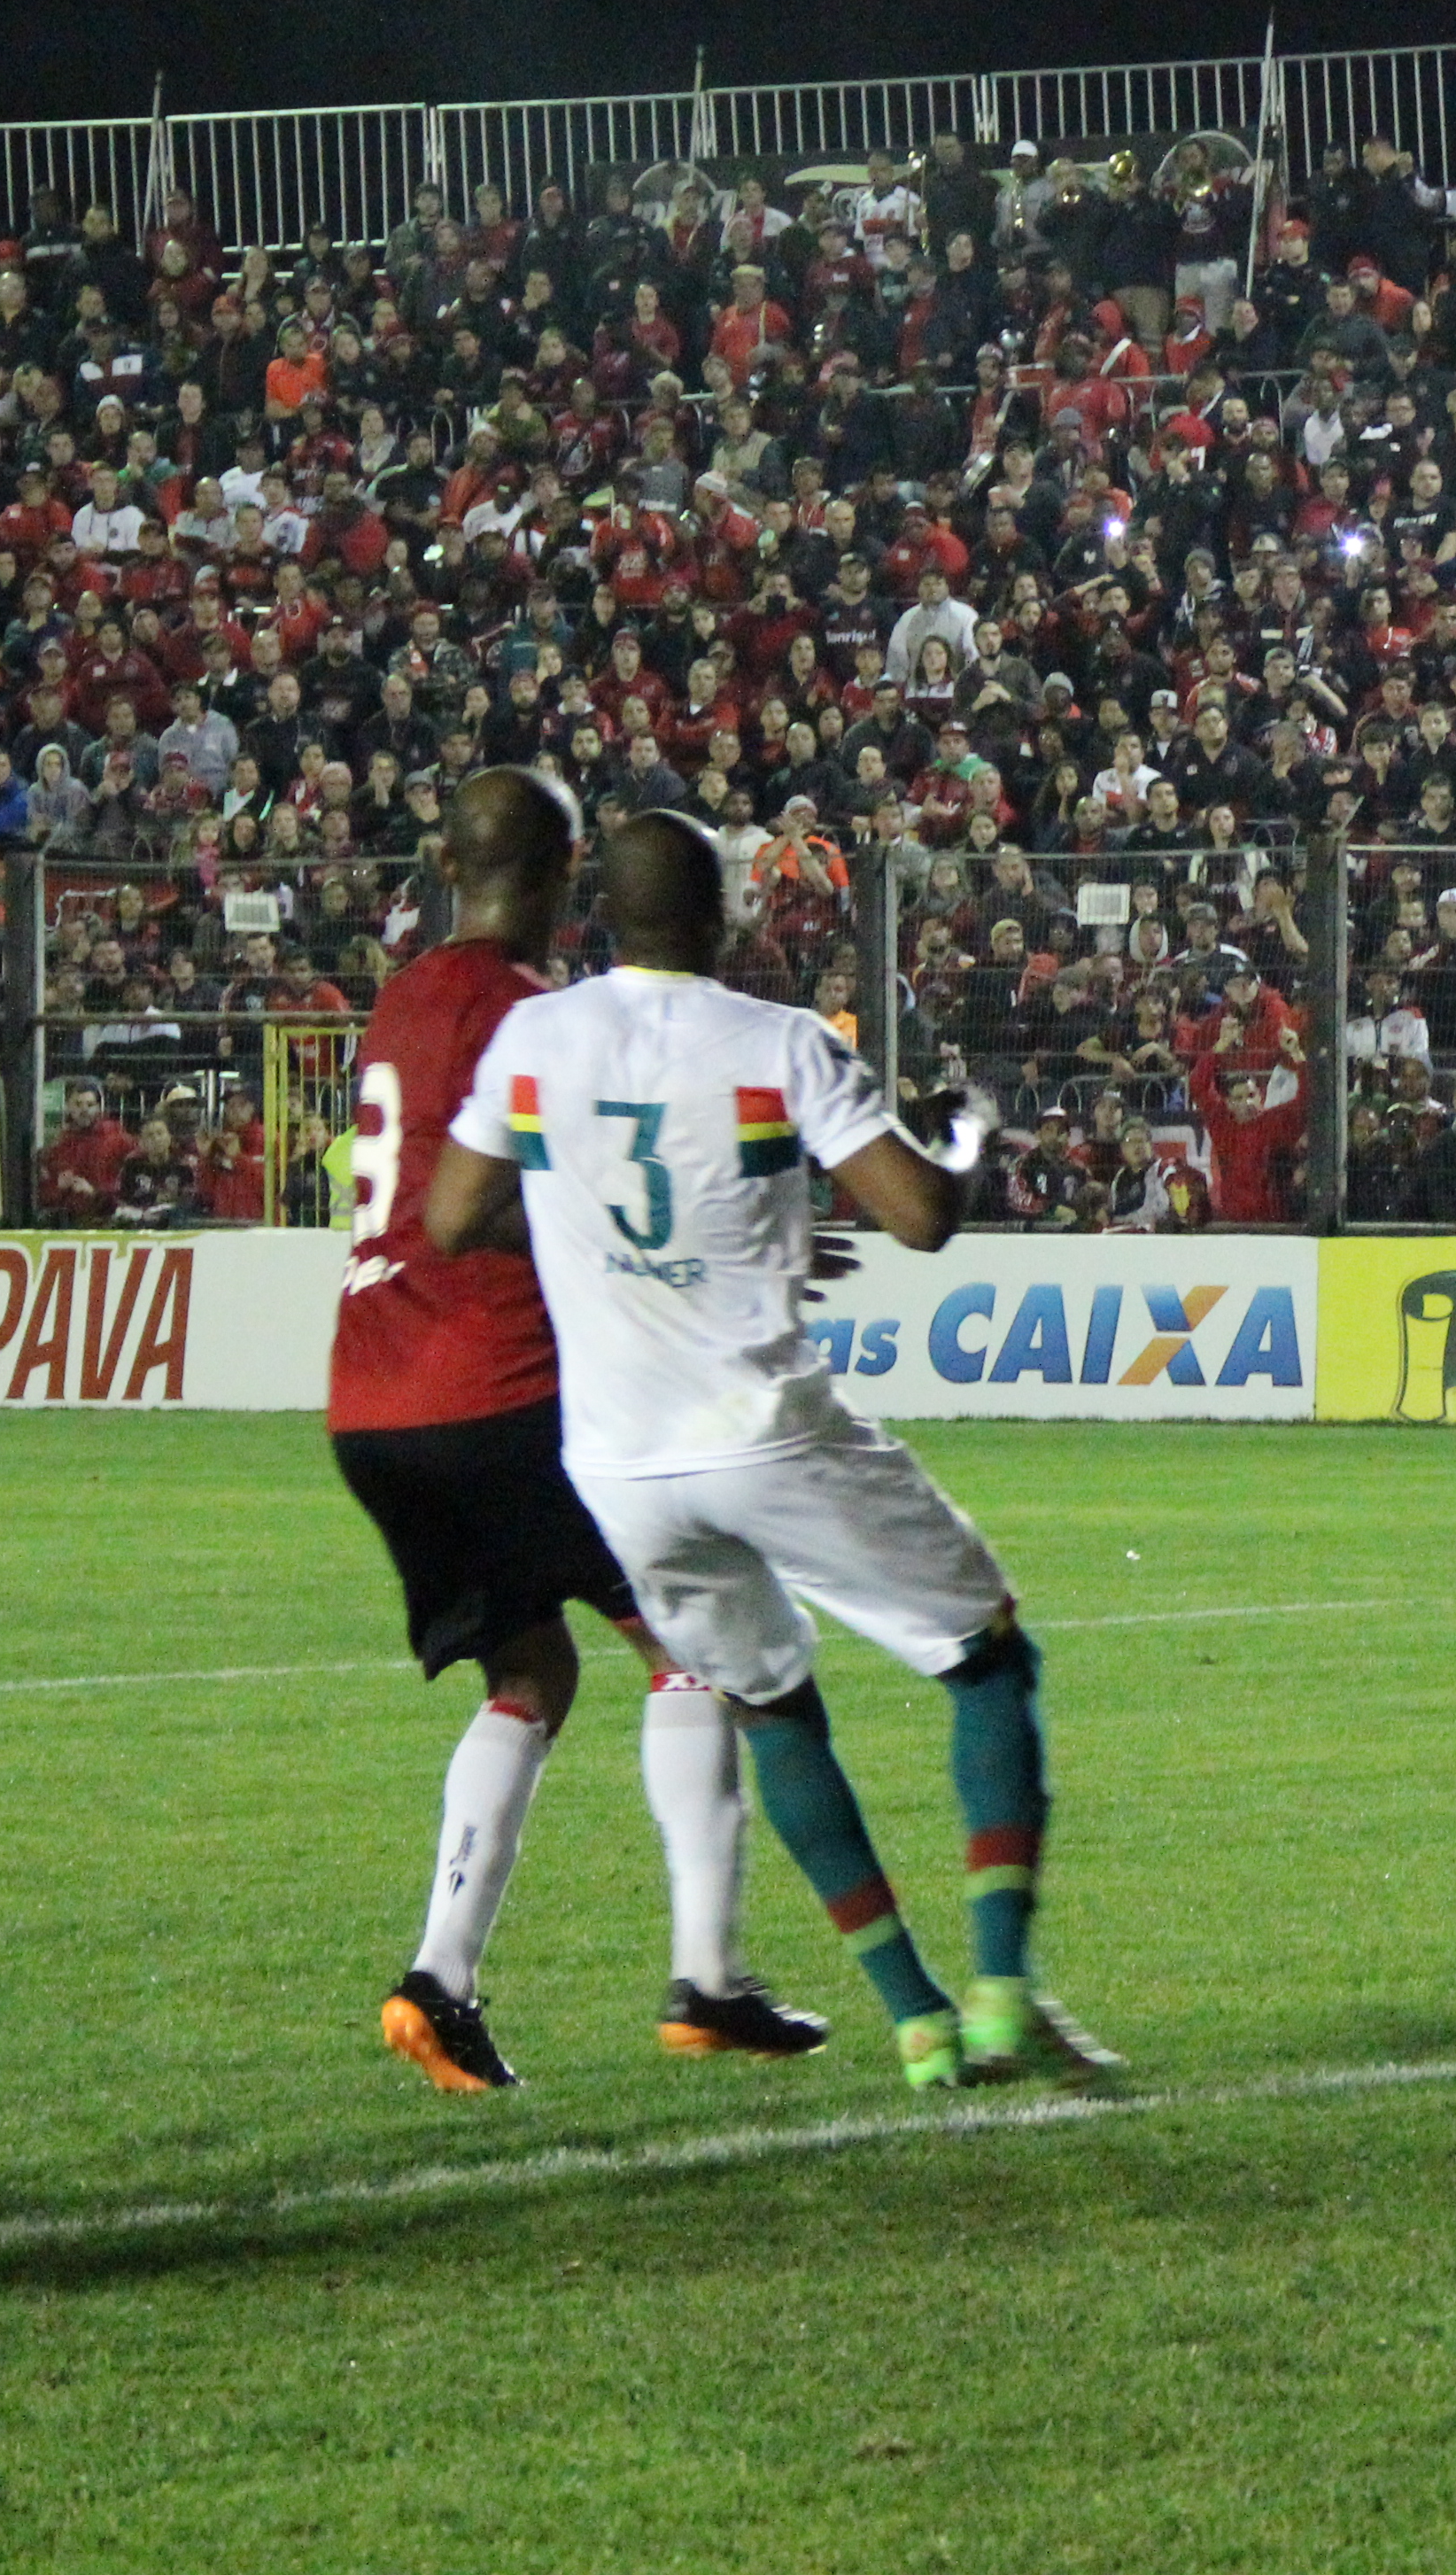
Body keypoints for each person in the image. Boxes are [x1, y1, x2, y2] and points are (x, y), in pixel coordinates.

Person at [428, 811, 1111, 2096]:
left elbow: (453, 1214)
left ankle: (915, 2020)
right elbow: (920, 1219)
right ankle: (1006, 1990)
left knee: (771, 1708)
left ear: (603, 918)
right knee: (987, 1660)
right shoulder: (779, 1044)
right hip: (765, 1433)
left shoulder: (536, 1038)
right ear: (727, 914)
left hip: (621, 1470)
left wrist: (595, 1225)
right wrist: (960, 1133)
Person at [333, 767, 813, 2092]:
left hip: (370, 1403)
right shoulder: (533, 1017)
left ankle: (441, 1977)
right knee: (699, 1641)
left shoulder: (403, 996)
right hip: (494, 1390)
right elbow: (520, 1201)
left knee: (533, 1672)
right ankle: (708, 1979)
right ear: (557, 884)